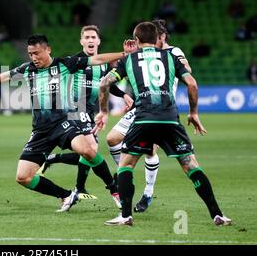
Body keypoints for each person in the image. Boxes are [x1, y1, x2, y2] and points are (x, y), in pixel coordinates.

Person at [0, 34, 133, 212]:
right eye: (30, 54)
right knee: (23, 177)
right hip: (40, 131)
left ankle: (114, 189)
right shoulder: (28, 69)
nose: (33, 58)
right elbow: (8, 74)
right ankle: (66, 195)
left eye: (37, 53)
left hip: (63, 124)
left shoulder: (64, 64)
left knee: (88, 151)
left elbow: (96, 59)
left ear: (48, 49)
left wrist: (123, 54)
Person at [95, 22, 231, 226]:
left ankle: (125, 215)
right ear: (157, 38)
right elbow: (192, 83)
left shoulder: (129, 59)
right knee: (190, 164)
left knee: (126, 164)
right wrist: (193, 112)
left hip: (143, 118)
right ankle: (217, 214)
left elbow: (105, 82)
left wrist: (103, 111)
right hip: (169, 118)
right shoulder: (171, 57)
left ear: (137, 40)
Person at [37, 25, 134, 207]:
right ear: (82, 41)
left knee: (90, 152)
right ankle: (109, 189)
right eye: (87, 37)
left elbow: (107, 84)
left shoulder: (104, 63)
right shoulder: (76, 61)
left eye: (93, 37)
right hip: (75, 107)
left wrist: (123, 95)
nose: (90, 40)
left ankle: (57, 164)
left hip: (90, 110)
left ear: (98, 41)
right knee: (91, 149)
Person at [106, 19, 192, 213]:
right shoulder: (147, 54)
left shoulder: (174, 52)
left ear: (162, 37)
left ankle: (147, 193)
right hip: (142, 106)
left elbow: (188, 71)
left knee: (150, 150)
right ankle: (124, 175)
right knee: (112, 139)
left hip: (163, 108)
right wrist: (130, 55)